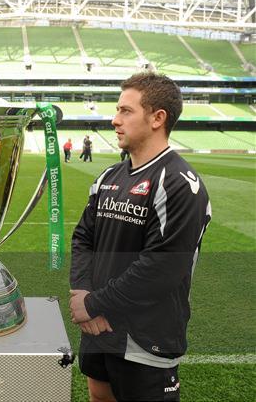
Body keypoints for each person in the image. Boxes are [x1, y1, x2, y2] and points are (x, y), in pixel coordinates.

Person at [69, 72, 211, 402]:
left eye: (126, 111)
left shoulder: (178, 184)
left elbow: (161, 270)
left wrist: (91, 304)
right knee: (98, 395)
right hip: (99, 330)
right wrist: (82, 290)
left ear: (157, 118)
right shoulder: (109, 176)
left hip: (146, 338)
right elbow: (82, 239)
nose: (115, 120)